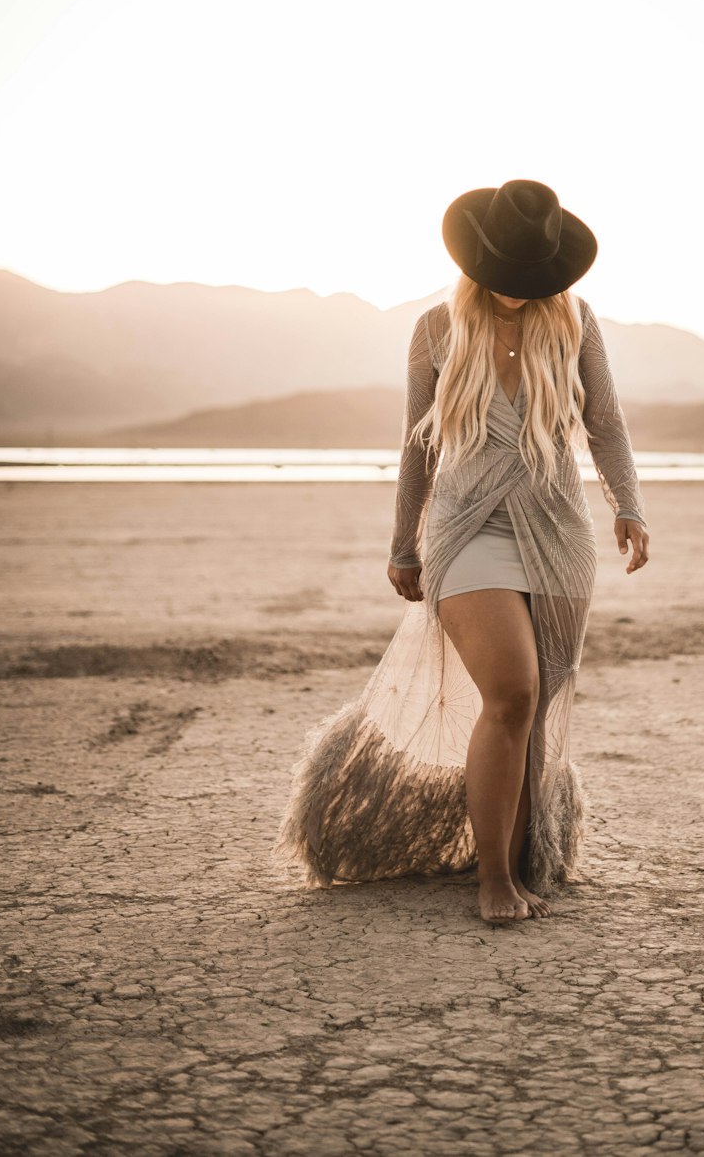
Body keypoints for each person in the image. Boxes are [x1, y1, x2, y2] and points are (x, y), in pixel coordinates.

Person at [275, 179, 650, 924]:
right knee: (510, 691)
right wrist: (402, 544)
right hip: (466, 529)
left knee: (537, 706)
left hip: (557, 528)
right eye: (505, 277)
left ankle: (521, 862)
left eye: (530, 280)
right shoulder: (436, 328)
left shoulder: (575, 322)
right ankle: (492, 884)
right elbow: (418, 446)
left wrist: (629, 505)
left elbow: (604, 421)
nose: (517, 293)